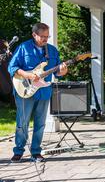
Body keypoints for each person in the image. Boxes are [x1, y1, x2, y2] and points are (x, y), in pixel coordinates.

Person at [8, 23, 68, 162]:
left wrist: (63, 71)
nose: (45, 39)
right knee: (22, 123)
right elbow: (12, 67)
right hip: (24, 90)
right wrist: (28, 75)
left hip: (44, 92)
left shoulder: (52, 51)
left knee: (40, 123)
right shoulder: (23, 47)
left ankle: (36, 152)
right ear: (34, 35)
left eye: (47, 36)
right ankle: (19, 151)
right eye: (42, 36)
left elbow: (58, 72)